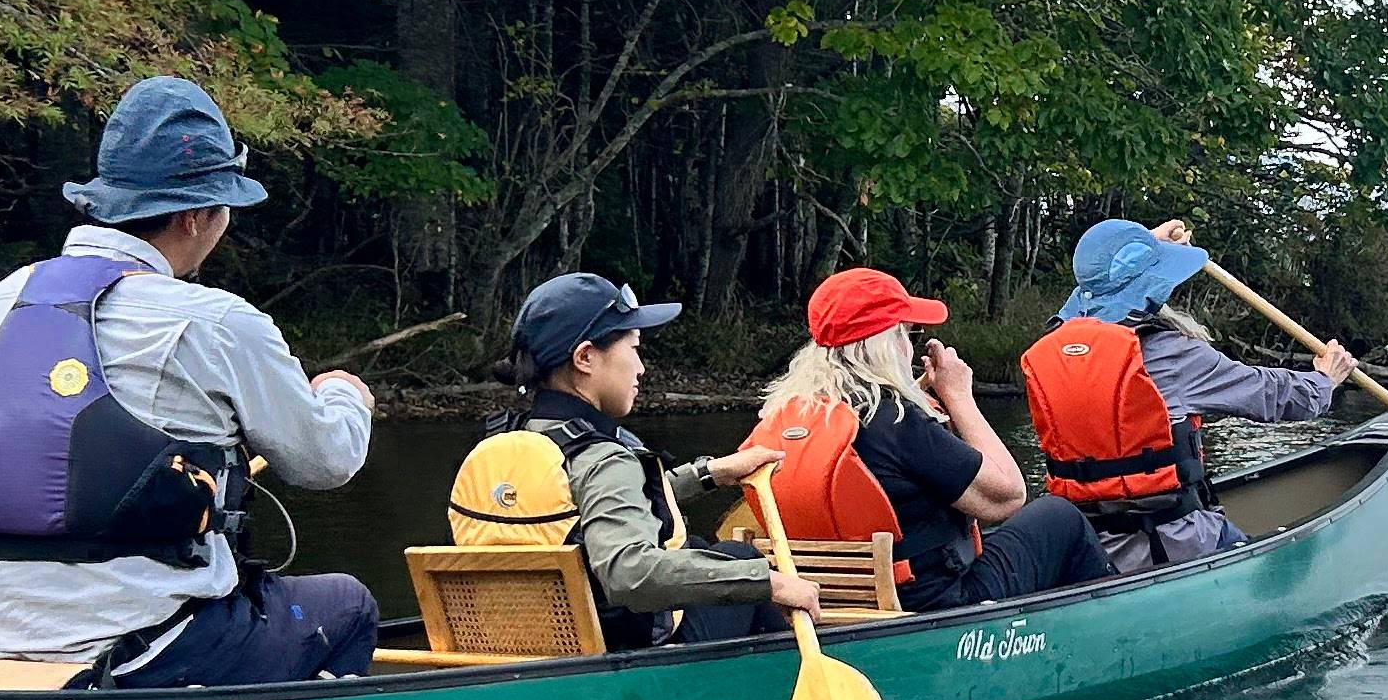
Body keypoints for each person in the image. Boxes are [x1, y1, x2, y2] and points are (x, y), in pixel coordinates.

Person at [0, 76, 382, 685]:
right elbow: (324, 461)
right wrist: (344, 398)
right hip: (154, 651)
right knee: (348, 605)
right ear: (198, 215)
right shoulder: (219, 322)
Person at [475, 271, 820, 650]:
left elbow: (593, 508)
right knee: (738, 558)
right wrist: (767, 582)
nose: (640, 368)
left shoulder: (514, 443)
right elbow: (629, 573)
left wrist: (708, 474)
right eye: (634, 348)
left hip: (532, 646)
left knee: (721, 555)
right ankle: (785, 693)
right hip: (624, 662)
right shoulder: (602, 456)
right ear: (585, 357)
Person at [743, 268, 1111, 609]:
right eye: (905, 332)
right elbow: (1008, 497)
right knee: (1059, 516)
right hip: (932, 600)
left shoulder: (783, 416)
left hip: (832, 601)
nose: (908, 344)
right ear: (886, 342)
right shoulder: (896, 420)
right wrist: (958, 396)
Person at [1036, 215, 1356, 573]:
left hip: (1086, 545)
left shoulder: (1056, 348)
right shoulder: (1171, 354)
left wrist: (1147, 243)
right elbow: (1271, 394)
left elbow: (1093, 281)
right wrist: (1324, 379)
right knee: (1268, 565)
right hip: (1168, 542)